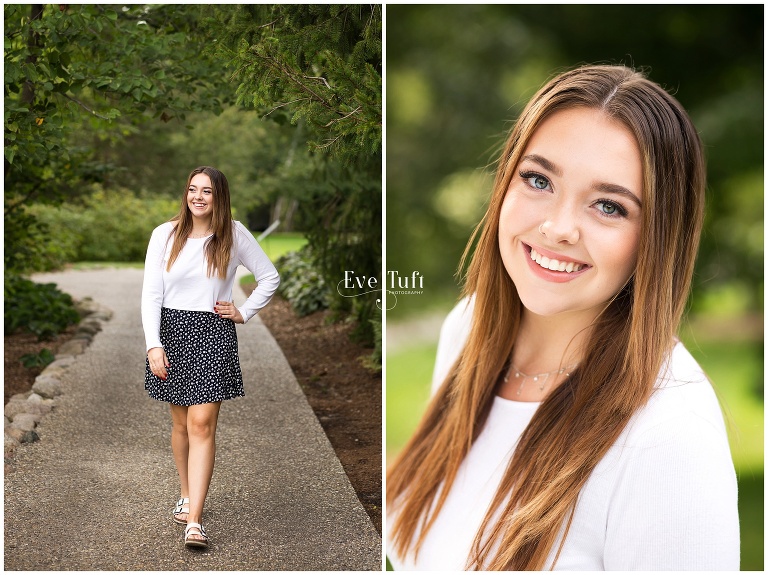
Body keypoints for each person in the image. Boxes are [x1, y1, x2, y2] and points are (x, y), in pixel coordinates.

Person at [386, 65, 739, 570]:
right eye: (538, 179)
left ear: (658, 237)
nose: (557, 227)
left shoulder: (668, 436)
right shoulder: (467, 329)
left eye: (609, 207)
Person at [141, 166, 280, 549]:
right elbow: (151, 293)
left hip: (212, 333)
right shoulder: (165, 234)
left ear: (219, 197)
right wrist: (154, 344)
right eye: (192, 189)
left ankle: (195, 522)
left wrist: (244, 311)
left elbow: (269, 276)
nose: (198, 197)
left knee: (202, 424)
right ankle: (186, 494)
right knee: (182, 424)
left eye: (207, 191)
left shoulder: (234, 234)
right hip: (170, 332)